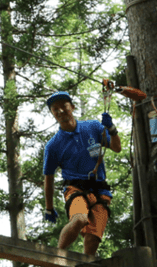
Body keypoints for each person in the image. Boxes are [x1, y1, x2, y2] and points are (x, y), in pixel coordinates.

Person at [42, 91, 122, 256]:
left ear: (72, 106)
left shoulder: (92, 127)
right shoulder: (53, 145)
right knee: (79, 219)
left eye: (63, 106)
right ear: (52, 114)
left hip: (100, 190)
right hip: (75, 189)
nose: (60, 111)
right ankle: (58, 256)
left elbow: (116, 148)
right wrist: (49, 208)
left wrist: (112, 130)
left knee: (93, 240)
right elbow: (48, 178)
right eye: (54, 109)